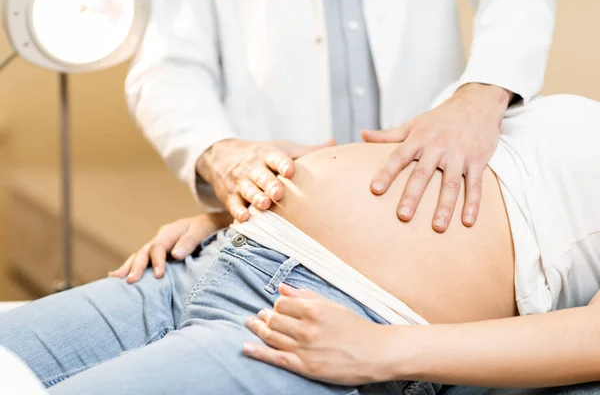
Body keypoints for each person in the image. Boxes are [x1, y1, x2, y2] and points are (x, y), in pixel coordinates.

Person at [1, 94, 599, 395]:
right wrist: (222, 214)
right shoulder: (564, 107)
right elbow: (408, 173)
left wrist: (383, 352)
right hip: (213, 256)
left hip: (319, 326)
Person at [126, 0, 556, 233]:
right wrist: (220, 154)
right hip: (277, 220)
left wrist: (480, 97)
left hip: (427, 214)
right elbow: (167, 66)